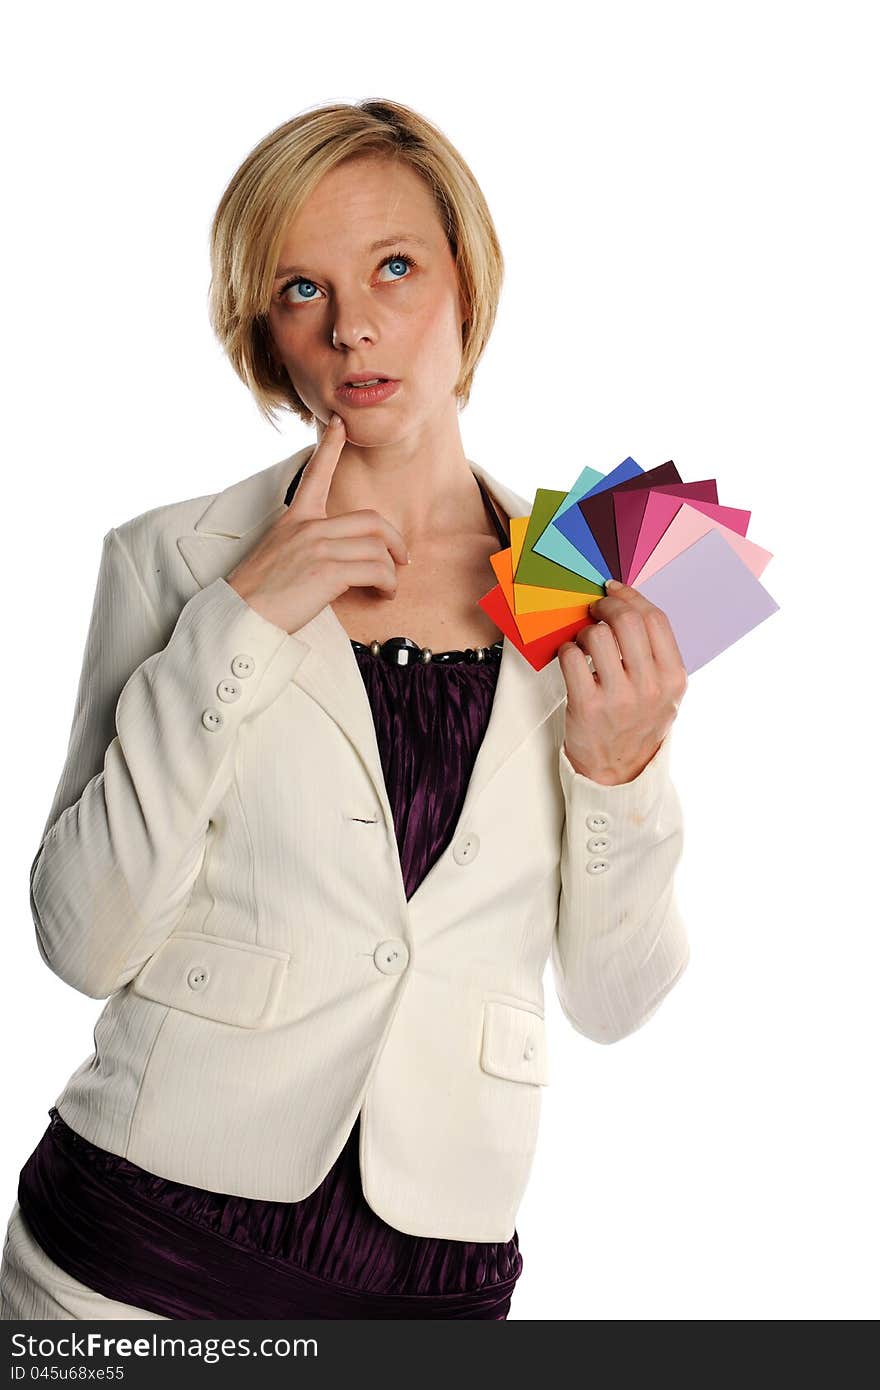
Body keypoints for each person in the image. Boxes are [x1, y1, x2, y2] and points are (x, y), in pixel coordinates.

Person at [0, 98, 690, 1321]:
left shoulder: (585, 581)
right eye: (299, 290)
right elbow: (80, 939)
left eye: (393, 268)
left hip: (436, 1283)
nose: (354, 325)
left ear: (466, 286)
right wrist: (241, 622)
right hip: (132, 1263)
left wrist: (619, 774)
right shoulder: (177, 558)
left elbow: (615, 999)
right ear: (266, 334)